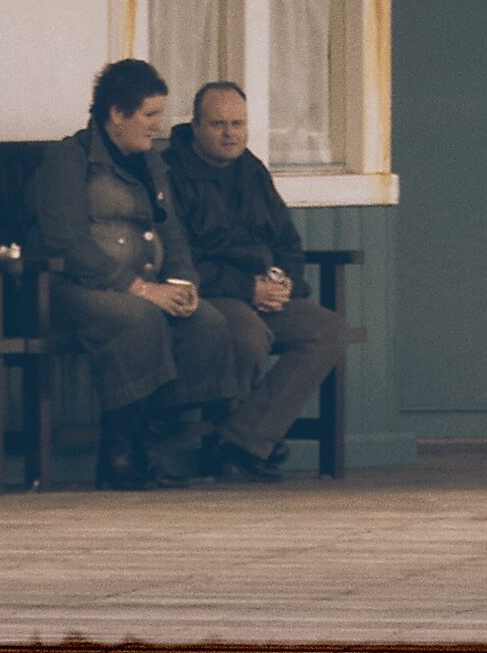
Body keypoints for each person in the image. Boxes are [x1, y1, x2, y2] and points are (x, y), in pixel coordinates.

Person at [28, 59, 237, 491]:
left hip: (143, 288)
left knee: (206, 323)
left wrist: (182, 284)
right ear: (117, 114)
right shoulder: (70, 159)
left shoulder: (151, 162)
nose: (158, 125)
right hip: (71, 289)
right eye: (149, 115)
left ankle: (148, 445)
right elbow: (64, 240)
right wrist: (138, 288)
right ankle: (118, 455)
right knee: (138, 319)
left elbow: (171, 230)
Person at [164, 81, 349, 482]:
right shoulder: (170, 173)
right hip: (211, 294)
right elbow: (181, 260)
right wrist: (247, 289)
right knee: (247, 334)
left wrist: (284, 281)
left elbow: (288, 242)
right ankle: (247, 443)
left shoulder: (251, 170)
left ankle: (239, 441)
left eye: (238, 124)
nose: (230, 134)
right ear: (195, 126)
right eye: (218, 124)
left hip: (264, 293)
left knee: (329, 330)